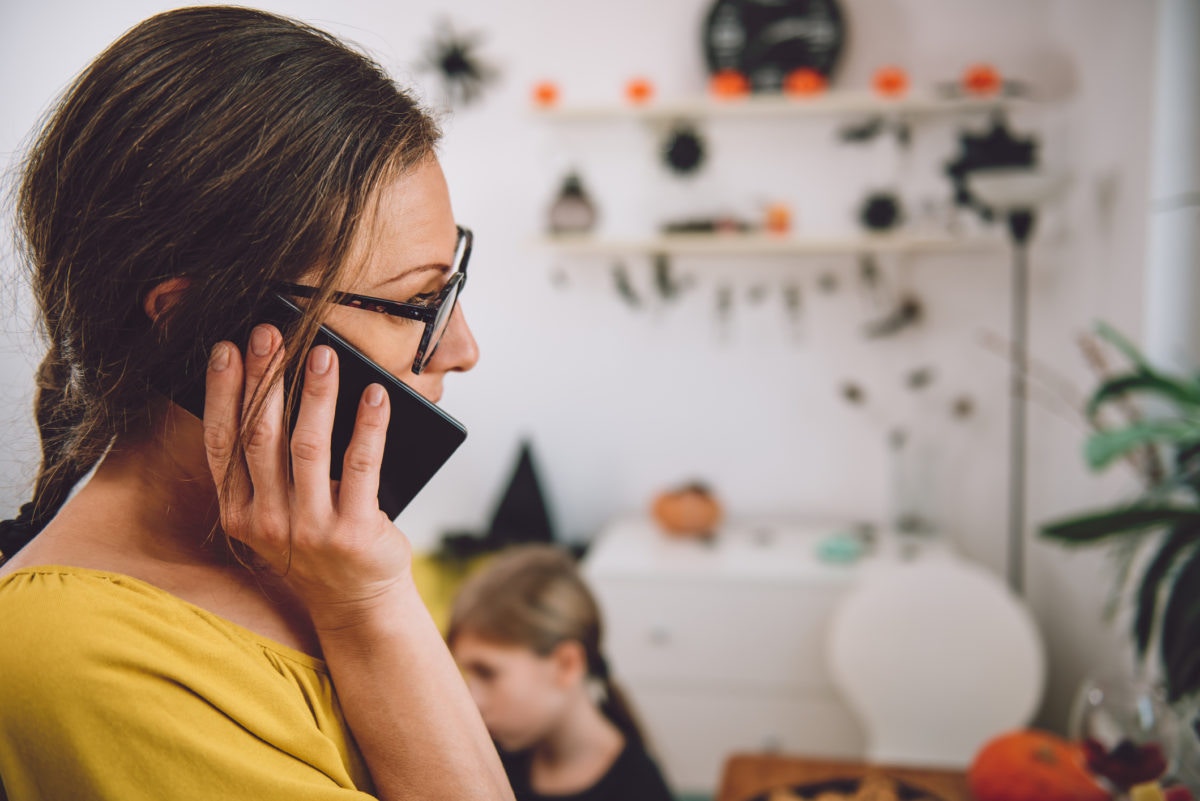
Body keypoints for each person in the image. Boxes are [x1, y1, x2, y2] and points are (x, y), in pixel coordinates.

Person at [0, 7, 514, 801]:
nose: (461, 348)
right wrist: (367, 607)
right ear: (198, 321)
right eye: (420, 301)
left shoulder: (316, 546)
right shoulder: (75, 650)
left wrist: (367, 593)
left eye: (451, 286)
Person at [447, 545, 674, 801]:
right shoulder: (496, 761)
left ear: (567, 664)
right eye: (467, 675)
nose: (471, 700)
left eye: (487, 673)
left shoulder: (639, 789)